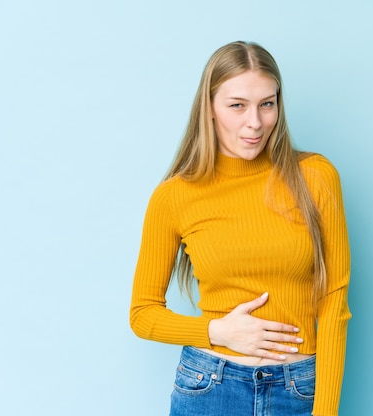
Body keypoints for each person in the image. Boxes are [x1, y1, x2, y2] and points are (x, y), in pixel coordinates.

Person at [130, 40, 351, 416]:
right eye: (237, 105)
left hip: (298, 389)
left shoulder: (315, 177)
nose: (255, 122)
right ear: (210, 108)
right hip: (209, 386)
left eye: (268, 103)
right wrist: (216, 332)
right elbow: (142, 314)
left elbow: (334, 303)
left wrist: (325, 411)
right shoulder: (174, 196)